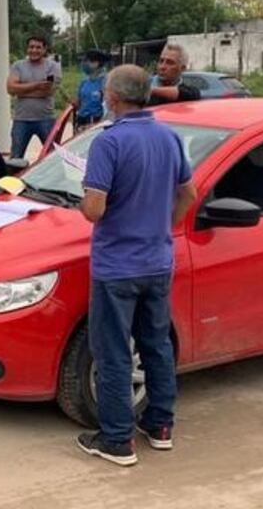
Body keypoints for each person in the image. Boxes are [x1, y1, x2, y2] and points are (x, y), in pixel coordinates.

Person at [76, 64, 198, 467]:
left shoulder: (108, 143)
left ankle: (117, 439)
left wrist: (85, 198)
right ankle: (160, 425)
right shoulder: (168, 136)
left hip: (116, 266)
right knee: (156, 344)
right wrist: (163, 226)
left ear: (112, 98)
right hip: (157, 260)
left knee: (112, 353)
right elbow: (188, 192)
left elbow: (94, 210)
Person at [7, 35, 62, 159]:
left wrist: (21, 90)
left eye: (38, 47)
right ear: (27, 48)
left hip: (46, 119)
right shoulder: (17, 66)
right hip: (21, 119)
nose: (34, 50)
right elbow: (10, 89)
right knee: (16, 157)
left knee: (52, 157)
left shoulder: (53, 66)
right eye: (31, 47)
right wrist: (38, 84)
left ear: (44, 49)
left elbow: (48, 91)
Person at [73, 50, 109, 133]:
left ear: (96, 63)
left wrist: (99, 123)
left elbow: (108, 108)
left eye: (86, 61)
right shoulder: (84, 81)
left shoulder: (106, 82)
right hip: (81, 120)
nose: (83, 64)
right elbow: (79, 102)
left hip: (96, 122)